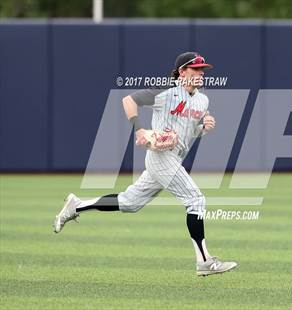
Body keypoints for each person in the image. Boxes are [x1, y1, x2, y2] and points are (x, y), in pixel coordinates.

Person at [53, 52, 237, 276]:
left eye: (203, 70)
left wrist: (203, 128)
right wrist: (139, 128)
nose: (201, 73)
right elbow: (129, 100)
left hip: (174, 158)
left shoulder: (202, 100)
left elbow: (190, 134)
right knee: (196, 199)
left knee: (130, 202)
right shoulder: (166, 93)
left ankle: (76, 205)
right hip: (160, 157)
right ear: (182, 72)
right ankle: (204, 261)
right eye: (196, 69)